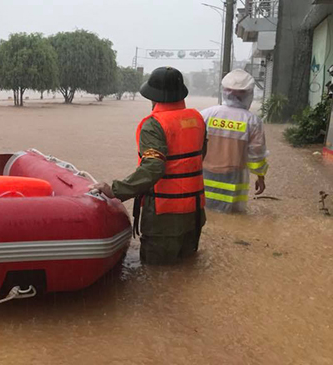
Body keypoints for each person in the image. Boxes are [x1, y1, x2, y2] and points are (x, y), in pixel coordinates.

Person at [91, 67, 207, 265]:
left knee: (156, 275)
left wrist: (115, 190)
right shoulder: (197, 119)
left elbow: (153, 167)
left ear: (154, 96)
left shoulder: (154, 125)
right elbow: (198, 155)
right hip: (194, 212)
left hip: (164, 215)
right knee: (185, 269)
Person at [201, 69, 268, 213]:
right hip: (234, 181)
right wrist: (260, 176)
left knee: (206, 214)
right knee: (233, 217)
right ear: (248, 94)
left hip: (204, 177)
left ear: (224, 91)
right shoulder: (252, 121)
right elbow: (256, 156)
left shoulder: (206, 115)